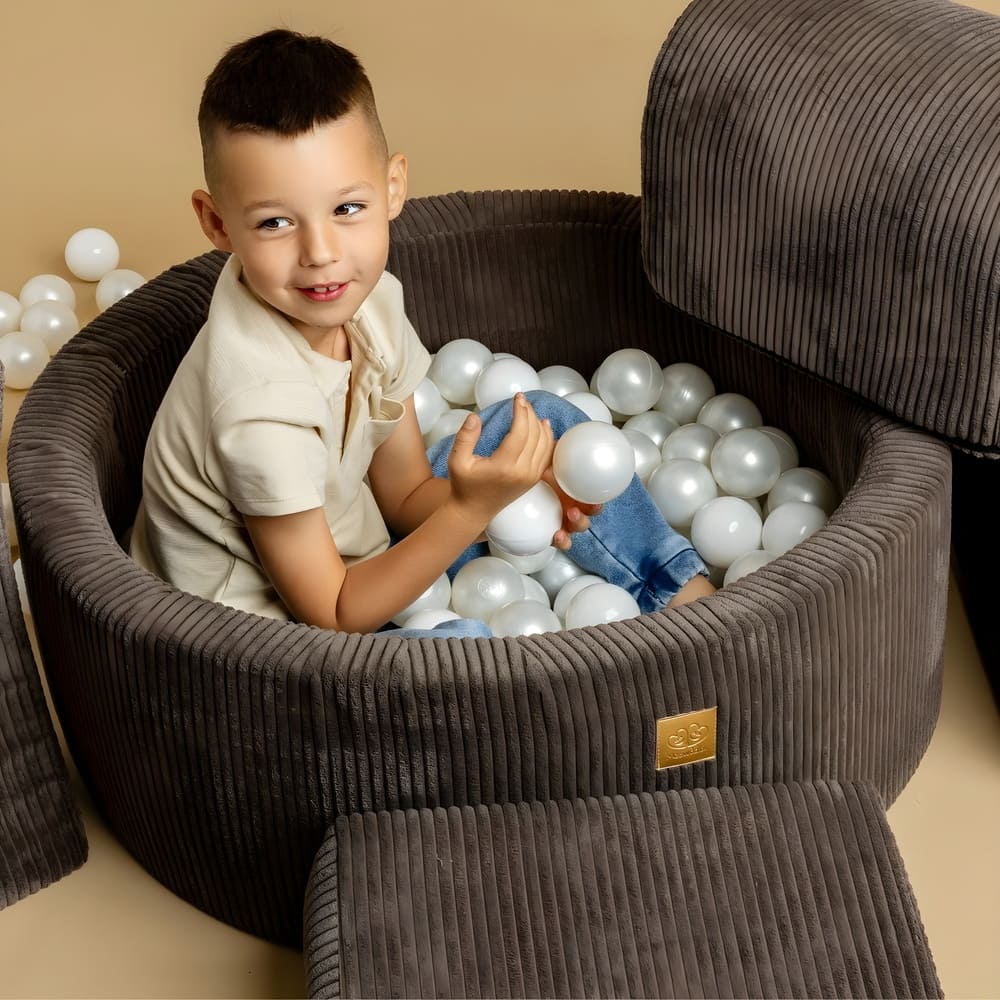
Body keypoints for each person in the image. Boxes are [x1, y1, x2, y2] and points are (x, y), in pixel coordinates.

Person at [130, 28, 714, 637]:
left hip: (365, 550)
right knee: (464, 650)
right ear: (217, 223)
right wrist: (472, 511)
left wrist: (518, 487)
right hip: (275, 636)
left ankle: (688, 606)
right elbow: (335, 615)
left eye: (346, 209)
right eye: (275, 222)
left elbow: (404, 495)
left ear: (392, 188)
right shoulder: (255, 412)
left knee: (541, 420)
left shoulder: (372, 303)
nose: (321, 253)